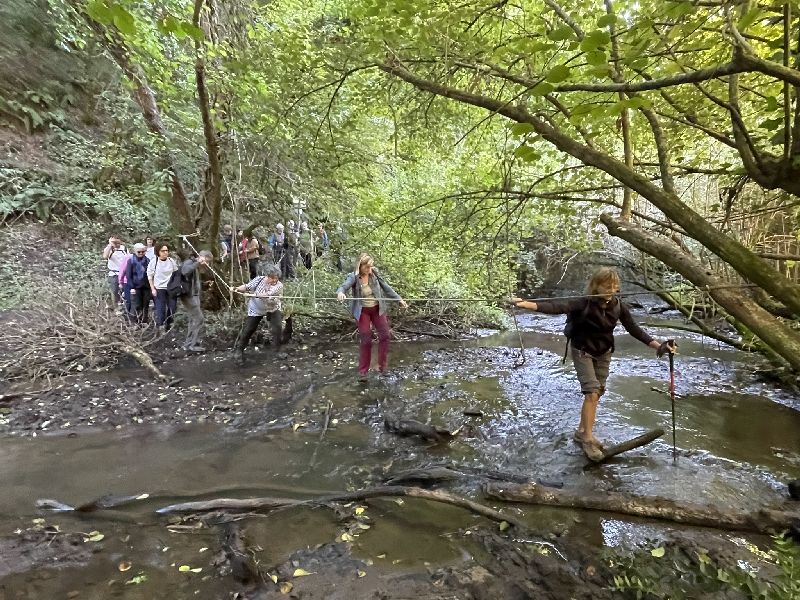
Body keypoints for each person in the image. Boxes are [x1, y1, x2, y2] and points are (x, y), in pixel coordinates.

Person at [511, 267, 675, 461]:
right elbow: (556, 307)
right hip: (583, 351)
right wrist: (525, 304)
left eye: (615, 286)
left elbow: (634, 330)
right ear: (596, 286)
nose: (611, 289)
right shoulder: (583, 303)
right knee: (592, 391)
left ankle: (582, 431)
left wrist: (659, 346)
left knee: (598, 392)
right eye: (607, 286)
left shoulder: (618, 306)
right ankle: (588, 438)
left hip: (604, 352)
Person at [336, 254, 407, 380]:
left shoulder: (374, 274)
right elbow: (344, 286)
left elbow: (386, 287)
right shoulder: (354, 276)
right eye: (367, 267)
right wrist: (340, 293)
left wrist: (399, 299)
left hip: (377, 309)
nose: (370, 269)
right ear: (360, 266)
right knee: (366, 340)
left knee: (385, 336)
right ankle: (363, 371)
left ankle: (382, 368)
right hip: (363, 311)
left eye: (371, 266)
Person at [233, 265, 284, 366]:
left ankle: (277, 351)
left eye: (276, 278)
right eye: (273, 278)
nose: (275, 280)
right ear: (267, 276)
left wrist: (254, 294)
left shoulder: (279, 285)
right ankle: (239, 351)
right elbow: (247, 287)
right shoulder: (259, 280)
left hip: (272, 308)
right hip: (256, 309)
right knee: (248, 329)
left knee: (277, 327)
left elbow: (266, 295)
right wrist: (236, 288)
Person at [177, 248, 213, 352]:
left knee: (193, 319)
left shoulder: (196, 265)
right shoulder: (190, 262)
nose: (207, 264)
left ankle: (189, 344)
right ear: (203, 258)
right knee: (199, 318)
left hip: (194, 295)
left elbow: (193, 281)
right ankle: (191, 345)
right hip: (188, 295)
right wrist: (198, 262)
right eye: (207, 261)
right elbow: (185, 271)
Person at [147, 243, 179, 330]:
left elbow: (176, 273)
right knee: (160, 308)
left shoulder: (171, 261)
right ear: (158, 252)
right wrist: (153, 288)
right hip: (159, 288)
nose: (165, 252)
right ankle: (161, 325)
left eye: (166, 250)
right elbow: (150, 276)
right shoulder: (154, 262)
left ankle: (169, 324)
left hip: (171, 288)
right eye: (163, 251)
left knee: (172, 307)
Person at [124, 243, 151, 324]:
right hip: (136, 286)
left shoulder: (147, 260)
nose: (141, 253)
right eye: (139, 252)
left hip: (146, 286)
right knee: (137, 305)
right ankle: (135, 322)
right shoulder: (131, 260)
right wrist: (132, 287)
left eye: (143, 252)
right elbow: (128, 275)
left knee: (145, 304)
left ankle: (144, 321)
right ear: (135, 251)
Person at [102, 236, 128, 309]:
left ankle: (123, 306)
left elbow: (128, 259)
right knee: (114, 291)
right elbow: (105, 256)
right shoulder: (109, 249)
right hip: (114, 274)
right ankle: (116, 308)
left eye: (118, 242)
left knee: (124, 291)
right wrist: (110, 245)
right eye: (115, 242)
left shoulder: (124, 248)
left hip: (124, 273)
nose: (116, 244)